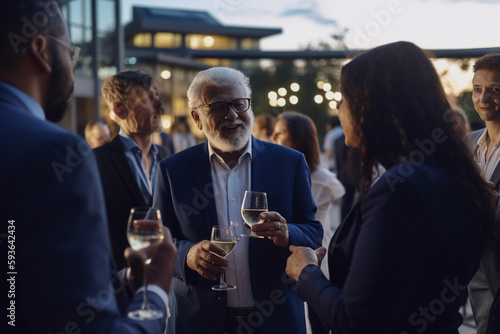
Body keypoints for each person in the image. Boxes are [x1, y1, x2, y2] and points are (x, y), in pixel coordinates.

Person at [285, 41, 494, 334]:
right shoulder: (453, 175)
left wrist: (306, 272)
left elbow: (358, 321)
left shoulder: (400, 191)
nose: (338, 108)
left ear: (376, 107)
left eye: (345, 98)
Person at [0, 1, 176, 333]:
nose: (71, 63)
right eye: (70, 52)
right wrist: (152, 291)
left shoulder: (169, 160)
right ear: (40, 50)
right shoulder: (59, 154)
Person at [153, 66, 323, 334]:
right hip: (200, 321)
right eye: (218, 107)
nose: (232, 115)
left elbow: (313, 231)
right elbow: (159, 241)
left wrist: (286, 232)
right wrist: (188, 255)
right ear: (197, 117)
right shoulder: (172, 170)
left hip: (275, 318)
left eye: (239, 104)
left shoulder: (289, 163)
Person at [271, 111, 344, 334]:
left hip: (317, 247)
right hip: (289, 249)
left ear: (298, 138)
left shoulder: (323, 181)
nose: (273, 138)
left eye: (280, 133)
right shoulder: (277, 171)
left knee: (318, 314)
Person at [95, 69, 171, 269]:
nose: (159, 105)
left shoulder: (168, 157)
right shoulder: (95, 162)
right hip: (118, 286)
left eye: (157, 97)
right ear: (120, 110)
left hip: (166, 283)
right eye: (147, 99)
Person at [466, 53, 500, 334]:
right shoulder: (467, 143)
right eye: (478, 89)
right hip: (473, 270)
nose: (483, 98)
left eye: (495, 90)